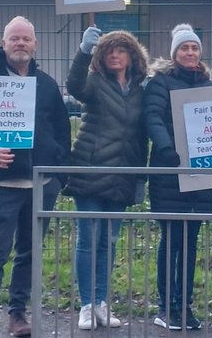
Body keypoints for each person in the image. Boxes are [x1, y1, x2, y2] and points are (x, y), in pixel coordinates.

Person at [0, 16, 71, 338]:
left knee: (29, 254)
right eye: (15, 38)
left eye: (26, 39)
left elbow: (62, 128)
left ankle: (17, 314)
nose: (21, 43)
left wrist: (59, 174)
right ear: (4, 43)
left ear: (35, 45)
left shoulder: (46, 84)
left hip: (42, 184)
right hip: (3, 183)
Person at [63, 27, 149, 330]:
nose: (115, 55)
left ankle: (101, 301)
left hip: (123, 175)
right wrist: (82, 51)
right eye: (109, 50)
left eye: (121, 50)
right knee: (88, 238)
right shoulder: (95, 83)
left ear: (132, 56)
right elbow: (74, 86)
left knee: (109, 242)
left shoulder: (141, 89)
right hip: (90, 170)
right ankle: (86, 305)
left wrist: (140, 177)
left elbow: (145, 132)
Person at [144, 23, 212, 331]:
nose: (190, 52)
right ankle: (166, 306)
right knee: (172, 239)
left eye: (194, 47)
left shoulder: (207, 84)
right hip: (169, 172)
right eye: (184, 48)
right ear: (174, 53)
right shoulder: (160, 82)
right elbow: (153, 117)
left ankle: (184, 304)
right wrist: (166, 147)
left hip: (199, 174)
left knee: (190, 243)